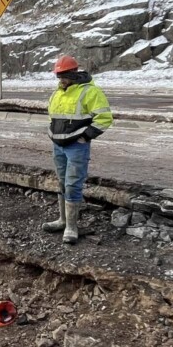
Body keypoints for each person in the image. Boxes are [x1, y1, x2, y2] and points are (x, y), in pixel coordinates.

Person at [43, 55, 113, 245]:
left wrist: (85, 137)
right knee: (62, 181)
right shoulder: (58, 92)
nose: (61, 79)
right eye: (58, 75)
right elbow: (54, 116)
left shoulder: (90, 92)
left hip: (76, 146)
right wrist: (52, 133)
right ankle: (63, 220)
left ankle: (71, 227)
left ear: (74, 73)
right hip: (58, 145)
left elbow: (104, 118)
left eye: (64, 75)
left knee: (73, 184)